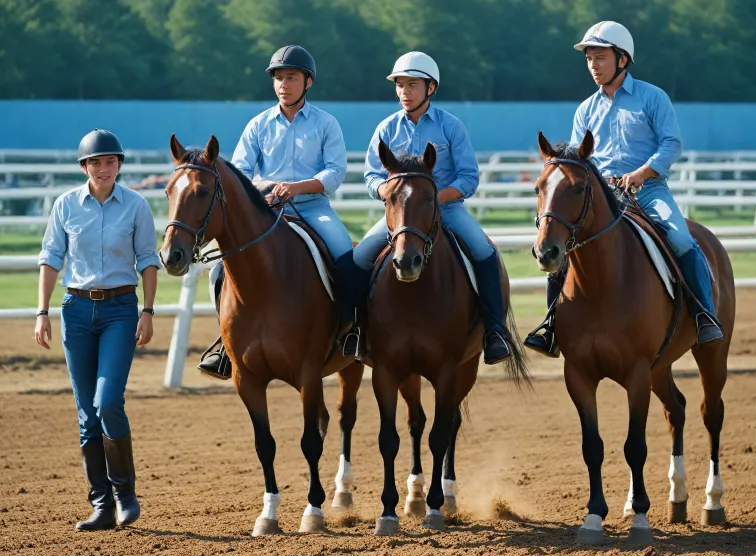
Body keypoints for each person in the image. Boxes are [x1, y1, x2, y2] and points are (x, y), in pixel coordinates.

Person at [524, 21, 724, 357]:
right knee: (562, 246)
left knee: (681, 239)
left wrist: (642, 173)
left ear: (622, 59)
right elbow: (577, 159)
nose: (593, 65)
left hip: (649, 191)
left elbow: (672, 143)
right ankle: (552, 326)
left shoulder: (652, 97)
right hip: (602, 197)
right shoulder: (585, 109)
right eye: (589, 59)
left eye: (600, 57)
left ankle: (704, 314)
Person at [199, 45, 361, 377]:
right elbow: (240, 172)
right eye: (278, 78)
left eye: (291, 78)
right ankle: (227, 345)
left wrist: (297, 187)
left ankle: (355, 332)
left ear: (308, 82)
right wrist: (264, 191)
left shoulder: (325, 123)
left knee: (347, 255)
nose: (284, 85)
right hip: (267, 211)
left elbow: (335, 172)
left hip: (312, 207)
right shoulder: (258, 125)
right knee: (218, 270)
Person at [352, 51, 514, 365]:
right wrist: (388, 191)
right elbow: (371, 174)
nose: (404, 92)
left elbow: (469, 176)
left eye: (412, 85)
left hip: (446, 208)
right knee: (359, 257)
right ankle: (355, 330)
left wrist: (433, 199)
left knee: (485, 252)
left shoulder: (451, 127)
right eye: (400, 85)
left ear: (430, 88)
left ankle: (494, 332)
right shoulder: (386, 128)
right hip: (401, 215)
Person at [35, 129, 160, 530]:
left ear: (119, 165)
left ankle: (126, 494)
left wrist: (149, 310)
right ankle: (101, 504)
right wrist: (42, 311)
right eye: (95, 163)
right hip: (75, 310)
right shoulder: (66, 205)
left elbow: (147, 260)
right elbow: (52, 256)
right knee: (86, 414)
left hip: (121, 309)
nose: (104, 169)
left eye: (110, 162)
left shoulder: (137, 206)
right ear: (84, 167)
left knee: (107, 401)